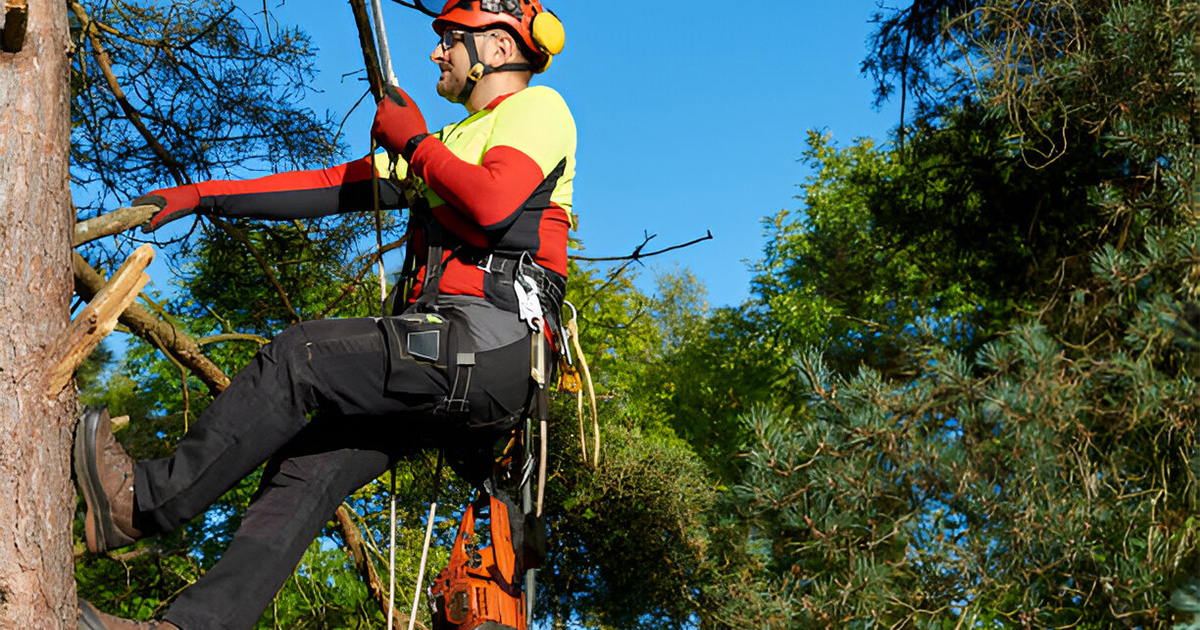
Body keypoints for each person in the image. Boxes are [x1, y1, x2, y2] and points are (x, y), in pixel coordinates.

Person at [75, 1, 573, 628]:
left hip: (487, 346)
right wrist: (204, 196)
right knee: (305, 470)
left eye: (449, 38)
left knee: (300, 356)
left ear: (499, 49)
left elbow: (494, 207)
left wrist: (415, 144)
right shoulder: (451, 144)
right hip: (451, 358)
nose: (436, 52)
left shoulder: (537, 110)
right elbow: (332, 184)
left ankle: (139, 505)